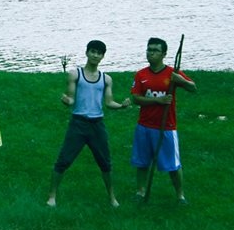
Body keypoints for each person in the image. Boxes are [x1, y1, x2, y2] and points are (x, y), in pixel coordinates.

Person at [46, 40, 131, 208]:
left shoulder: (106, 79)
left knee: (105, 163)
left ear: (102, 56)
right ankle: (52, 196)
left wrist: (122, 106)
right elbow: (71, 99)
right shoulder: (75, 74)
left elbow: (109, 102)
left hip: (97, 125)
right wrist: (66, 100)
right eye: (93, 51)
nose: (95, 55)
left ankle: (112, 197)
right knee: (63, 160)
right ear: (87, 53)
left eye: (99, 53)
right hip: (78, 123)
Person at [130, 37, 197, 204]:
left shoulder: (172, 73)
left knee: (173, 165)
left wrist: (180, 81)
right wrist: (157, 101)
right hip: (144, 125)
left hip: (166, 126)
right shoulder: (141, 75)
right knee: (142, 161)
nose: (151, 53)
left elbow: (193, 88)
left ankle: (180, 195)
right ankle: (140, 191)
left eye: (155, 50)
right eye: (149, 49)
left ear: (164, 54)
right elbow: (136, 99)